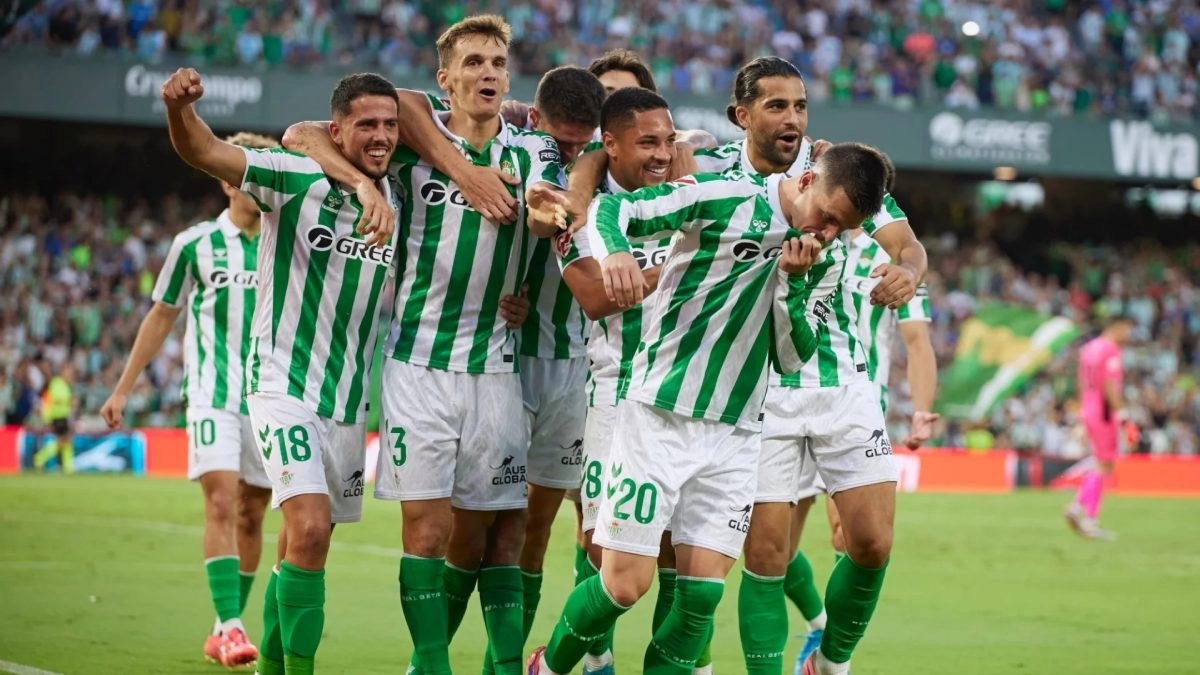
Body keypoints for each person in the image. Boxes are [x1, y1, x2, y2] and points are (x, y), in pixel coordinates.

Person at [528, 143, 892, 675]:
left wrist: (792, 285)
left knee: (699, 598)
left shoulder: (825, 259)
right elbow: (614, 209)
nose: (828, 233)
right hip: (659, 415)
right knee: (626, 584)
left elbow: (790, 357)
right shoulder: (727, 197)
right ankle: (549, 667)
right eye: (828, 217)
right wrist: (617, 253)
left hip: (737, 433)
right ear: (808, 179)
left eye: (844, 227)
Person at [159, 66, 403, 675]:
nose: (380, 136)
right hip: (281, 384)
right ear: (337, 129)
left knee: (299, 546)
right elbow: (204, 150)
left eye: (390, 125)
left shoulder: (404, 188)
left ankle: (269, 663)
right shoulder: (295, 178)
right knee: (311, 529)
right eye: (365, 124)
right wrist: (179, 110)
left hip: (348, 402)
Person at [99, 131, 278, 669]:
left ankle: (227, 623)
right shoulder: (195, 244)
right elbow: (162, 314)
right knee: (221, 502)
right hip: (211, 392)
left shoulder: (284, 240)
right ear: (227, 181)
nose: (257, 184)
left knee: (252, 514)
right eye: (247, 174)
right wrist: (124, 386)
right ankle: (229, 626)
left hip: (268, 399)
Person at [554, 86, 681, 675]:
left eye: (667, 141)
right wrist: (680, 267)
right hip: (616, 394)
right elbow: (597, 297)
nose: (660, 153)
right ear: (609, 145)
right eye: (646, 142)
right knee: (607, 555)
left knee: (686, 560)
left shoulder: (694, 197)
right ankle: (577, 656)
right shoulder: (579, 212)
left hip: (686, 401)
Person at [509, 64, 606, 667]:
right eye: (560, 137)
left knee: (540, 527)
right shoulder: (518, 149)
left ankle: (521, 657)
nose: (570, 149)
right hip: (507, 362)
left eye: (582, 139)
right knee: (482, 527)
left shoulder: (617, 165)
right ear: (537, 117)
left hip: (578, 371)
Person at [1065, 315, 1132, 541]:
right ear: (1117, 327)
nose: (1128, 336)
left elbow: (1081, 382)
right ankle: (1088, 519)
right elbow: (1109, 385)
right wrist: (1122, 414)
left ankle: (1078, 509)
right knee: (1105, 465)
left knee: (1100, 462)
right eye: (1127, 330)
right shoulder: (1110, 351)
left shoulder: (1088, 349)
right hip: (1104, 412)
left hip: (1088, 409)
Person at [33, 363, 76, 474]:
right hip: (57, 416)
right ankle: (40, 458)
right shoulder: (56, 383)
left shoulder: (65, 384)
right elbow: (55, 399)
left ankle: (68, 467)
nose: (70, 375)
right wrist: (69, 401)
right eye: (68, 372)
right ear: (62, 372)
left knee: (67, 441)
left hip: (63, 416)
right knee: (63, 440)